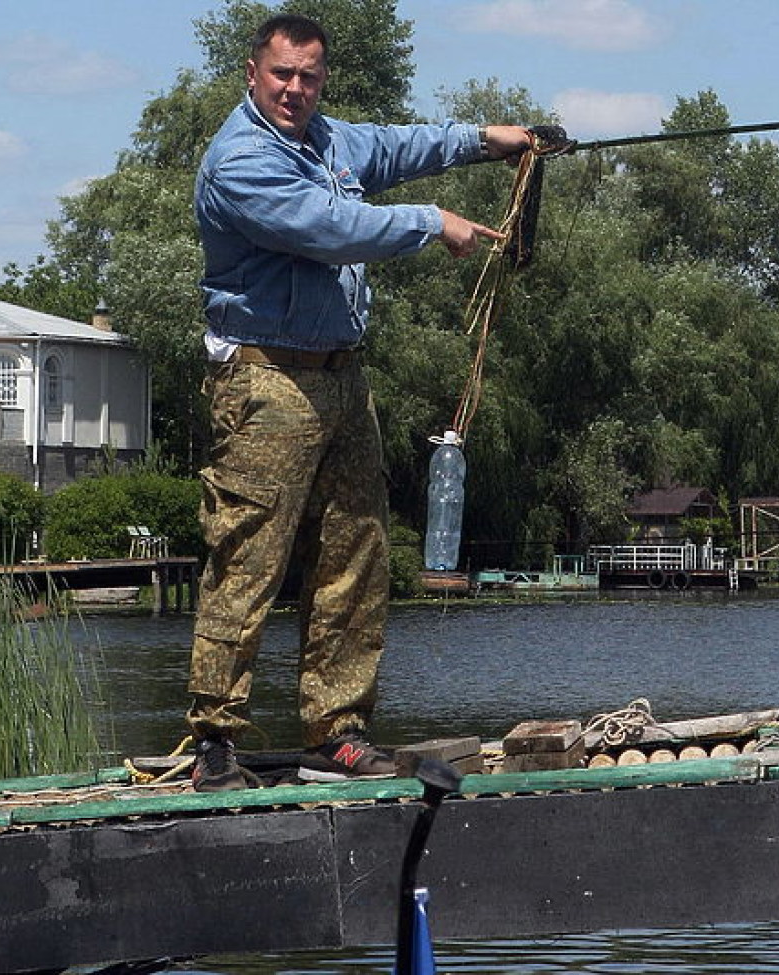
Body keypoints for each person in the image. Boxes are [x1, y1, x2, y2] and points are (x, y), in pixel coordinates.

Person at [187, 12, 532, 791]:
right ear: (253, 73)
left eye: (309, 77)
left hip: (343, 376)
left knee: (357, 552)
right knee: (248, 557)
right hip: (265, 380)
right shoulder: (240, 159)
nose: (295, 90)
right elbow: (331, 227)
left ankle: (338, 731)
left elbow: (400, 144)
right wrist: (428, 221)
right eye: (282, 75)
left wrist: (487, 138)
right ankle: (214, 739)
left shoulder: (330, 140)